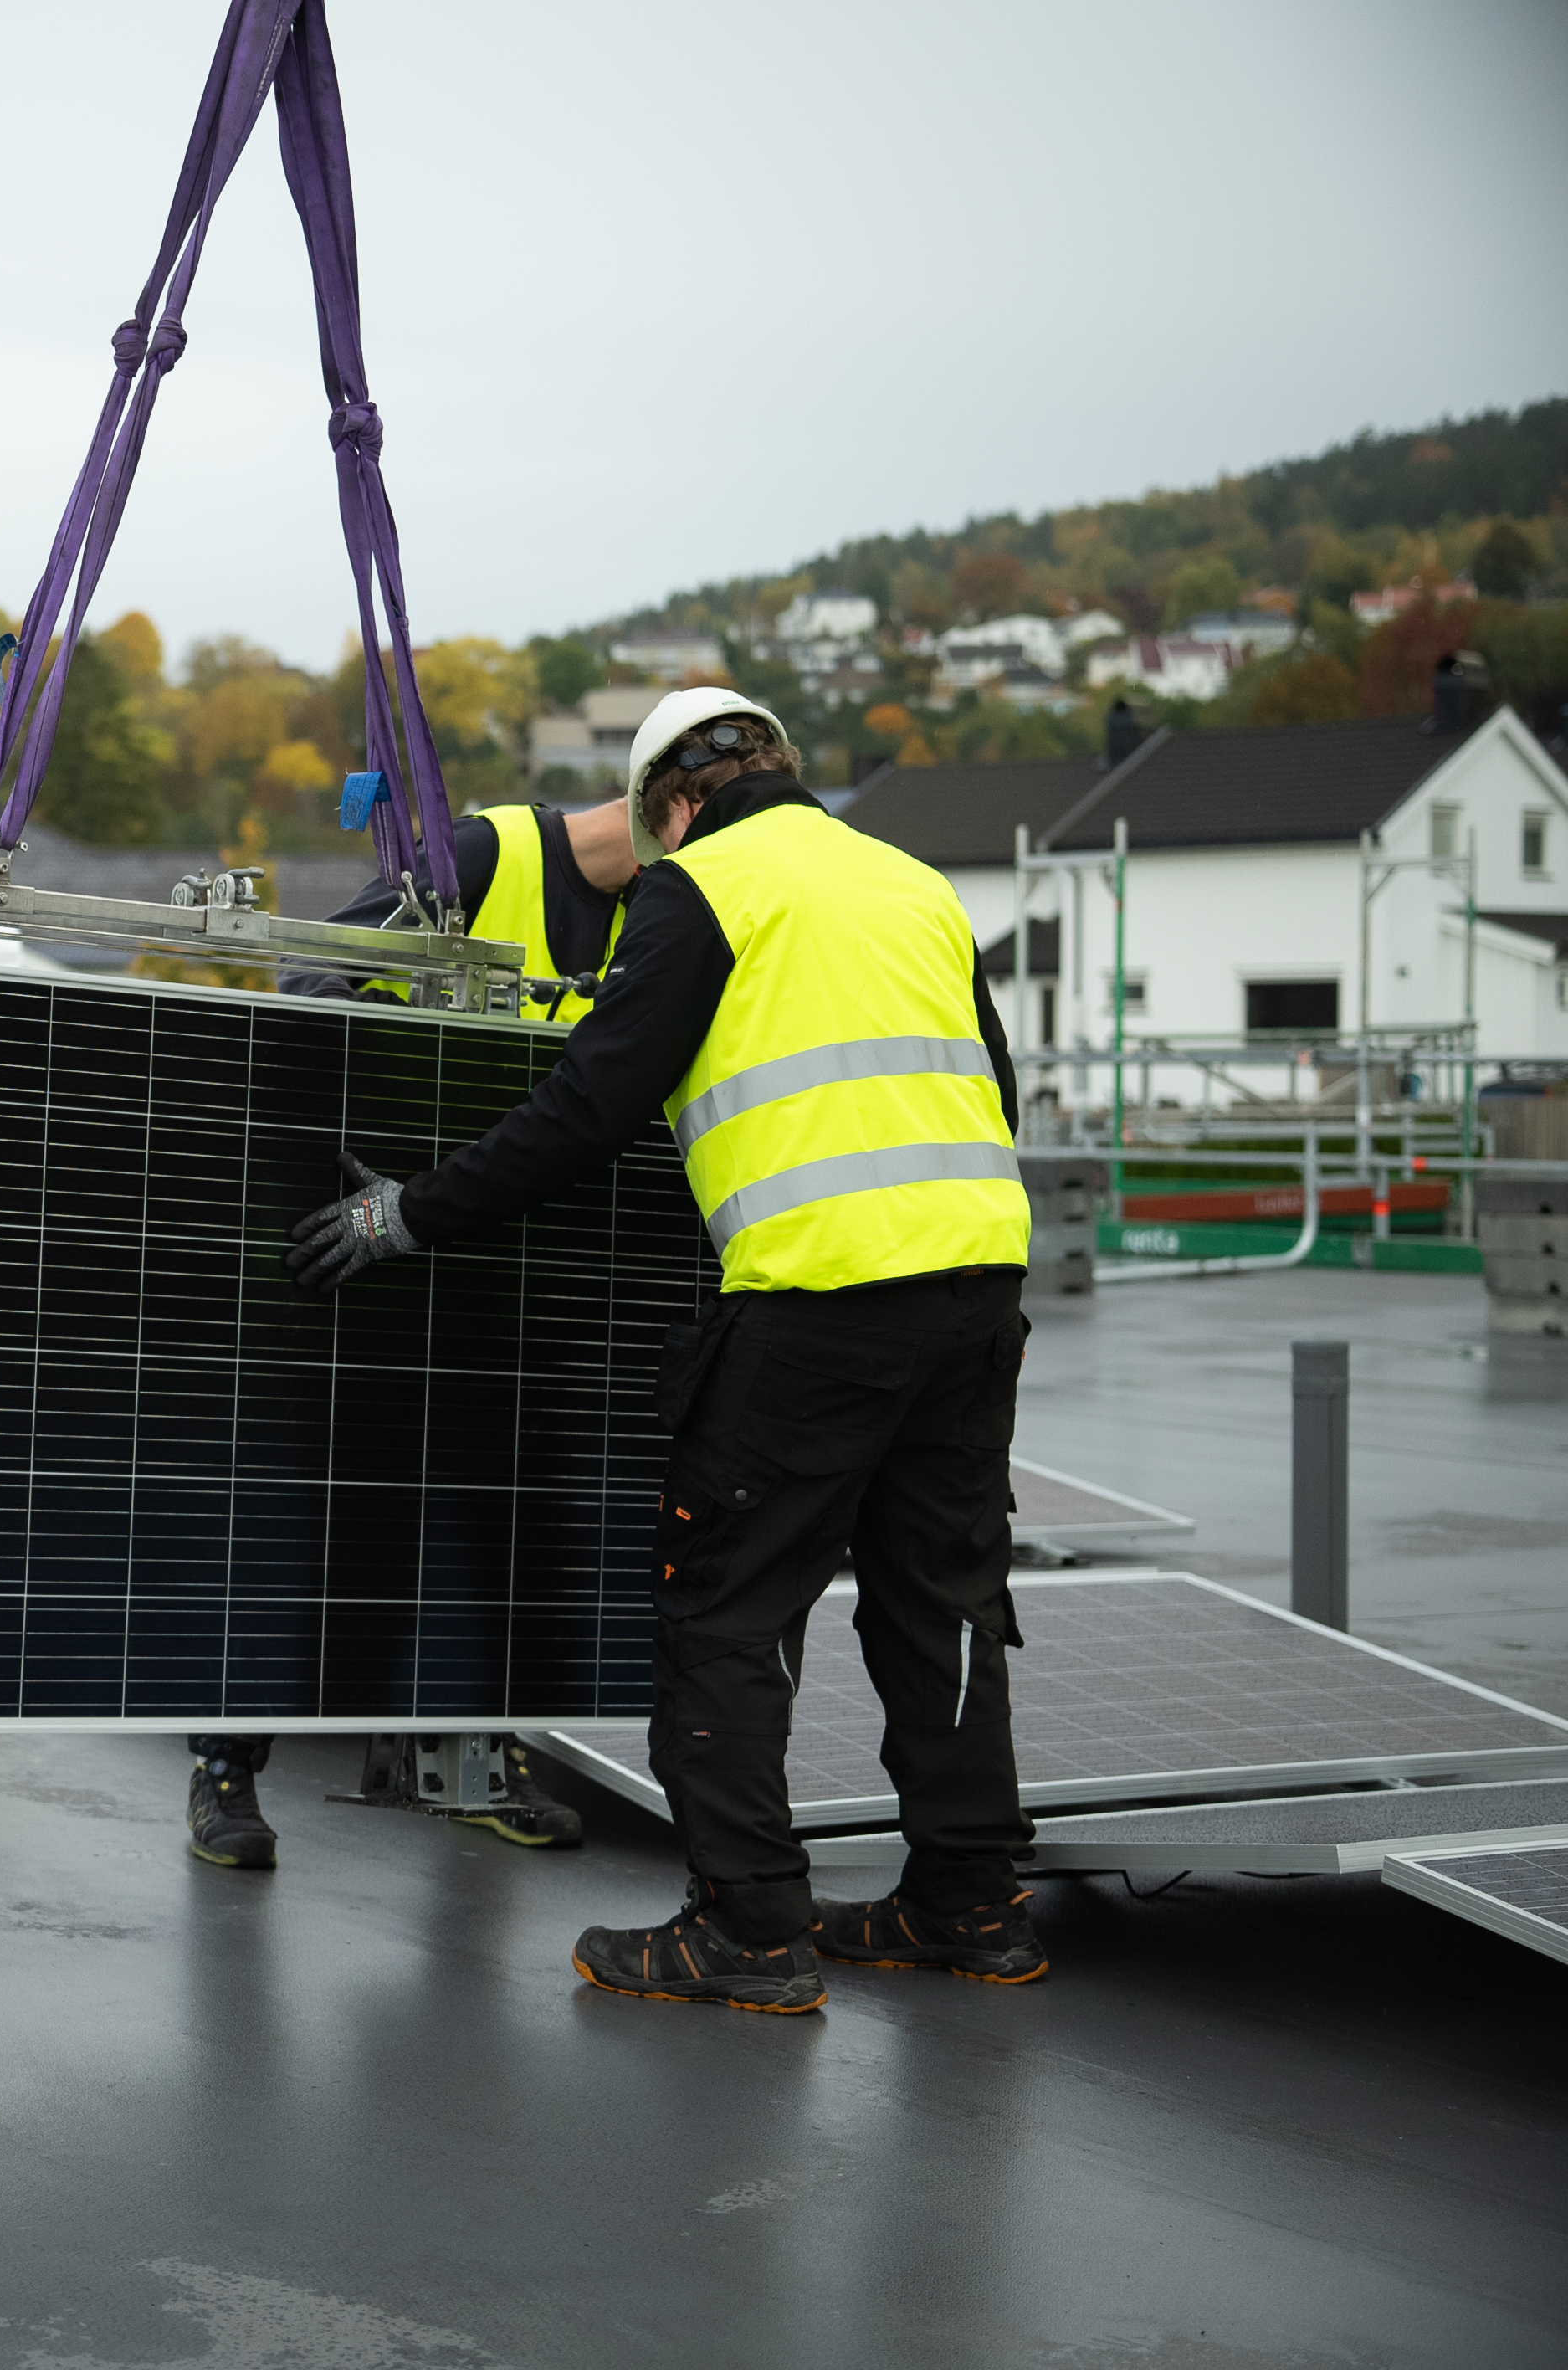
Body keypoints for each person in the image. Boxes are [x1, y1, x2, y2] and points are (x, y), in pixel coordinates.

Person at [287, 686, 1039, 2013]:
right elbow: (998, 1088)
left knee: (725, 1610)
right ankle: (970, 1906)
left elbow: (589, 1104)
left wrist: (406, 1210)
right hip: (978, 1287)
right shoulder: (916, 885)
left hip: (818, 1299)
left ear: (670, 807)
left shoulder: (698, 890)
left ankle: (748, 1929)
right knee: (943, 1605)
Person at [180, 795, 640, 1871]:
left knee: (516, 1540)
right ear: (666, 808)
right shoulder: (485, 852)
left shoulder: (654, 912)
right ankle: (225, 1769)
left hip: (509, 1275)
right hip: (367, 1258)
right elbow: (314, 975)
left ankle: (482, 1757)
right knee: (344, 1540)